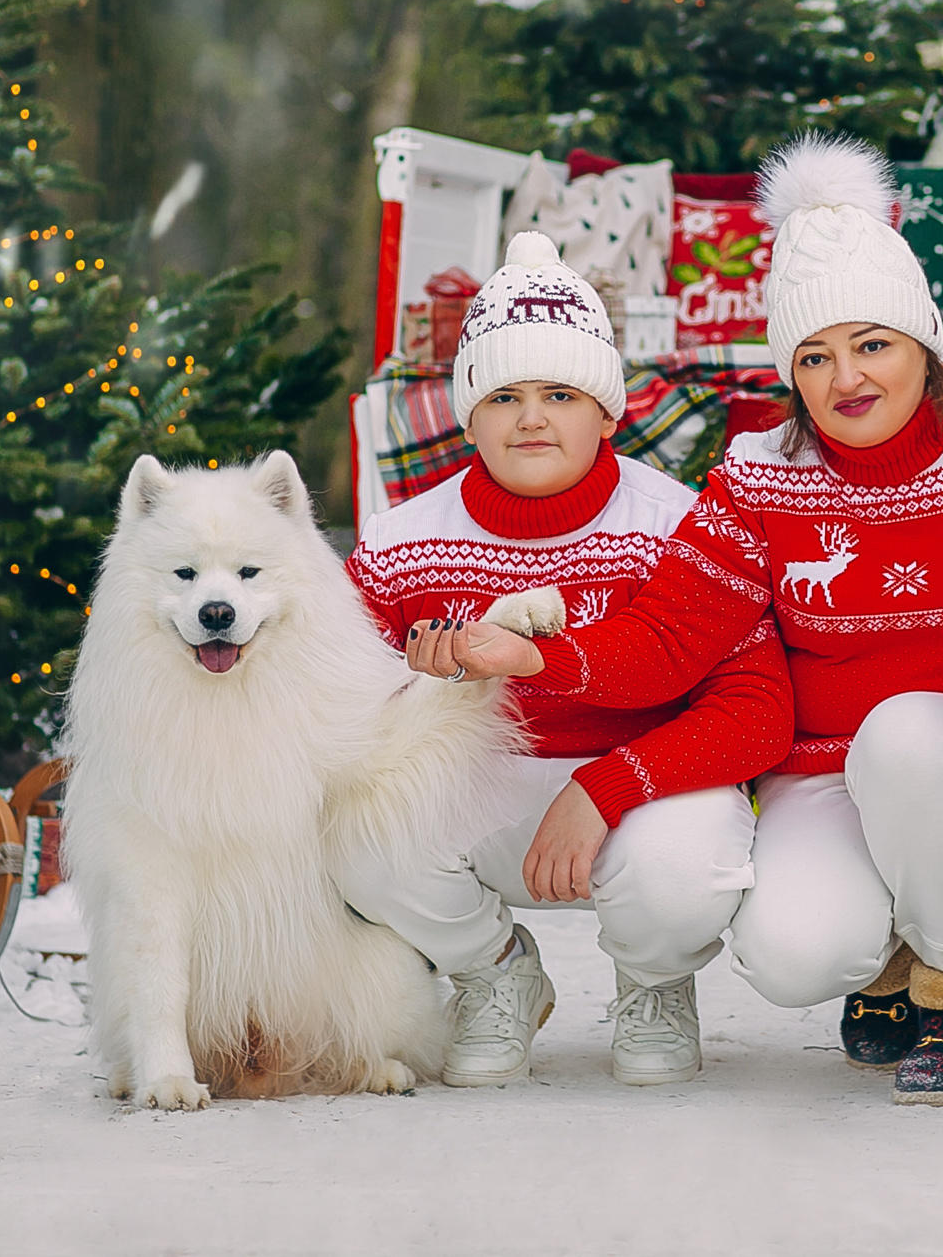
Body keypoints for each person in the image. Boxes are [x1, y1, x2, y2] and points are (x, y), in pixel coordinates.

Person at [444, 134, 943, 1107]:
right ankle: (890, 954)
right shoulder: (760, 476)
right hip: (832, 771)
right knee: (791, 952)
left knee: (909, 734)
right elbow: (667, 638)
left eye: (872, 344)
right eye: (814, 356)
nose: (845, 378)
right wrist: (536, 657)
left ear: (924, 344)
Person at [339, 232, 793, 1088]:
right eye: (503, 395)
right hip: (478, 794)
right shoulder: (401, 541)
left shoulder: (677, 524)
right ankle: (493, 968)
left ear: (608, 411)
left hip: (639, 793)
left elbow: (757, 710)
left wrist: (609, 784)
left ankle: (654, 979)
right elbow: (333, 707)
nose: (532, 418)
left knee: (684, 864)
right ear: (468, 415)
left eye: (560, 393)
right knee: (356, 827)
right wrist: (412, 694)